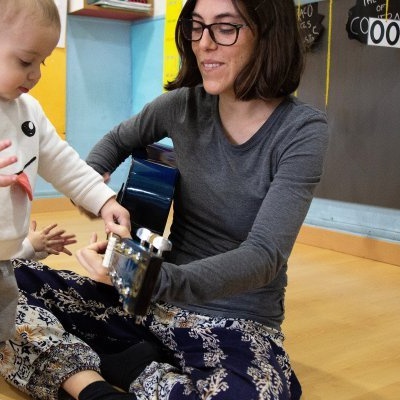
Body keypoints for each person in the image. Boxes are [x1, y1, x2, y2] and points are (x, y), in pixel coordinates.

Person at [0, 0, 329, 399]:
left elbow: (264, 256)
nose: (203, 44)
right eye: (196, 26)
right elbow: (114, 143)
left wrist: (144, 278)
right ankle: (94, 386)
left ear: (268, 34)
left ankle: (126, 368)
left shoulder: (301, 130)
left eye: (224, 28)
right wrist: (101, 201)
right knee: (6, 293)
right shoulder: (181, 105)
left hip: (231, 318)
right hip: (145, 308)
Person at [0, 0, 130, 344]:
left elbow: (63, 162)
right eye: (26, 61)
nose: (36, 74)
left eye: (41, 62)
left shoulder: (28, 111)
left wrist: (104, 201)